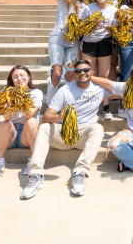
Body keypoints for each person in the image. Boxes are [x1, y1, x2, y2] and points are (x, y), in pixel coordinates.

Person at [21, 60, 108, 200]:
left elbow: (123, 89)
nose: (82, 73)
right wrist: (58, 118)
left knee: (98, 128)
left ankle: (80, 172)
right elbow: (46, 116)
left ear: (92, 72)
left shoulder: (99, 88)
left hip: (84, 136)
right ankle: (36, 175)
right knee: (43, 128)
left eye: (86, 70)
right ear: (74, 74)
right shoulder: (65, 90)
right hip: (64, 133)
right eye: (78, 71)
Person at [0, 65, 43, 177]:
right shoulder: (7, 94)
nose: (19, 79)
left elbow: (29, 115)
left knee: (31, 121)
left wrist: (21, 97)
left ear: (28, 77)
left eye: (22, 75)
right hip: (12, 134)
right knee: (5, 124)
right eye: (15, 77)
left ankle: (33, 161)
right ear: (12, 80)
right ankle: (0, 161)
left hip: (26, 134)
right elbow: (7, 118)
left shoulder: (36, 93)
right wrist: (7, 103)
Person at [43, 0, 86, 105]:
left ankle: (67, 105)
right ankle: (51, 104)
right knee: (56, 73)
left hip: (73, 43)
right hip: (57, 39)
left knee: (70, 73)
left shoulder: (84, 7)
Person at [80, 0, 118, 119]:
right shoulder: (88, 8)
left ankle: (106, 107)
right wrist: (91, 28)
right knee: (90, 74)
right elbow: (81, 28)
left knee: (104, 76)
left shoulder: (114, 10)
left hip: (105, 43)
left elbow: (117, 30)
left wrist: (110, 31)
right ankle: (91, 108)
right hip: (89, 43)